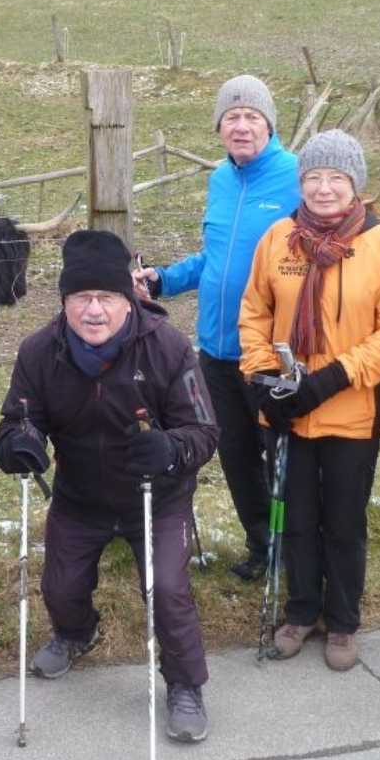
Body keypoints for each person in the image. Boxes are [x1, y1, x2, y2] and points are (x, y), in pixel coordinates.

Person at [0, 230, 219, 742]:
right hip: (81, 496)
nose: (94, 311)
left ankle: (185, 684)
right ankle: (77, 634)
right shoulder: (38, 352)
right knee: (61, 587)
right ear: (66, 301)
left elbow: (204, 432)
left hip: (155, 496)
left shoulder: (167, 347)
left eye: (107, 297)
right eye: (81, 298)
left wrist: (170, 450)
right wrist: (19, 444)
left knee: (166, 589)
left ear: (127, 298)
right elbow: (18, 420)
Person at [238, 129, 380, 671]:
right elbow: (254, 314)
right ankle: (300, 612)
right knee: (295, 517)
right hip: (289, 411)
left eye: (335, 178)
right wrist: (263, 376)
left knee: (343, 521)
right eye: (313, 177)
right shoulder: (279, 237)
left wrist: (333, 377)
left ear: (355, 184)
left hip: (350, 410)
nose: (323, 188)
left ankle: (342, 623)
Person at [134, 75, 300, 581]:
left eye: (253, 116)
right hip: (215, 350)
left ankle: (295, 554)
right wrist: (162, 279)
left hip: (271, 351)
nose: (242, 126)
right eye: (232, 117)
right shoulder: (221, 181)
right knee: (234, 456)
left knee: (281, 458)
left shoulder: (297, 176)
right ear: (219, 128)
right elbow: (215, 258)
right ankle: (260, 545)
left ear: (269, 124)